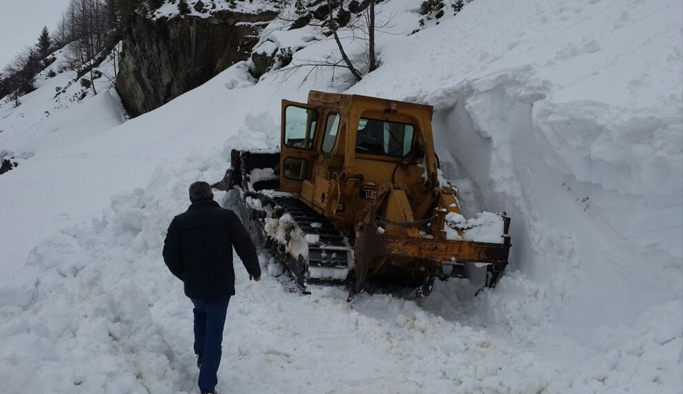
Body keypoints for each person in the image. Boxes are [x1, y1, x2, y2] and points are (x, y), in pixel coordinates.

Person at [163, 181, 261, 394]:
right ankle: (207, 386)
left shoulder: (179, 222)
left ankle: (201, 354)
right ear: (212, 197)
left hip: (195, 287)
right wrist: (254, 270)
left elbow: (169, 256)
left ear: (191, 199)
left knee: (200, 313)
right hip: (220, 286)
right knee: (214, 334)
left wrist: (186, 276)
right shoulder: (226, 218)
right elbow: (245, 244)